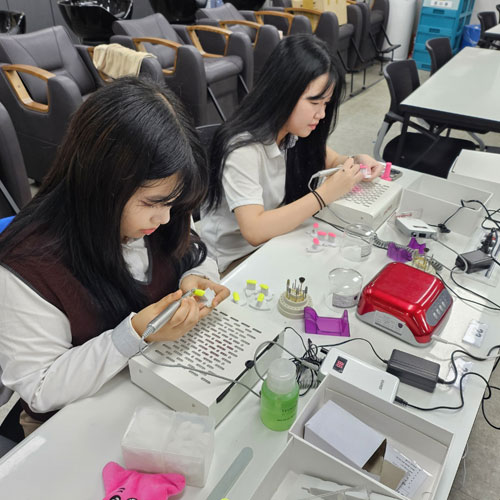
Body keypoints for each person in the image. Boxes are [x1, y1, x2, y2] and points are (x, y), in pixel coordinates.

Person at [0, 78, 229, 434]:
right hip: (74, 420)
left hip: (156, 385)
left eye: (173, 203)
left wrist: (196, 278)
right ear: (101, 182)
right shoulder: (29, 265)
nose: (165, 217)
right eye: (153, 203)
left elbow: (194, 252)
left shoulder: (163, 209)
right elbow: (41, 387)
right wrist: (134, 334)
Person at [200, 35, 384, 273]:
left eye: (326, 104)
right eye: (315, 103)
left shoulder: (293, 133)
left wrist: (354, 161)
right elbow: (254, 230)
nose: (321, 114)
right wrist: (324, 194)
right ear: (283, 92)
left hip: (275, 242)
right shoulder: (243, 148)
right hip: (231, 262)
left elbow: (331, 160)